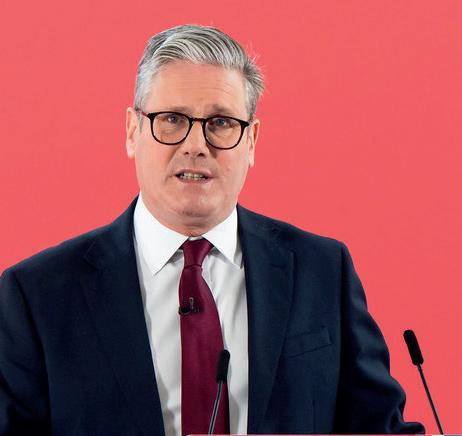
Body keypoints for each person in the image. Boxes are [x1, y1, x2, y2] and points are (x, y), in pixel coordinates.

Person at [0, 24, 424, 436]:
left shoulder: (323, 271)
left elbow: (380, 429)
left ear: (251, 141)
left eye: (220, 123)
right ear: (132, 131)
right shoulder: (37, 295)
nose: (195, 145)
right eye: (171, 119)